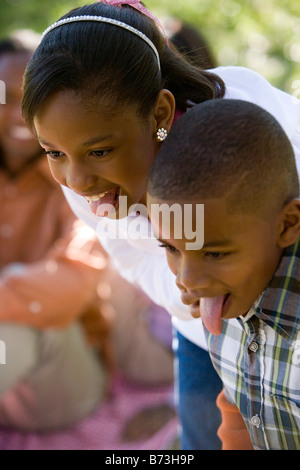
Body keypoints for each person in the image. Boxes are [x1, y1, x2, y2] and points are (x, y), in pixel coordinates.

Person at [21, 0, 300, 449]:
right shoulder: (86, 177)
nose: (76, 181)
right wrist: (189, 290)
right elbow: (131, 257)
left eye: (99, 151)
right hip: (203, 318)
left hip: (283, 305)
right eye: (54, 152)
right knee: (206, 428)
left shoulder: (246, 136)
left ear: (159, 115)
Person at [147, 98, 300, 450]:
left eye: (215, 253)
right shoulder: (222, 297)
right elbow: (244, 405)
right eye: (171, 248)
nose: (187, 279)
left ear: (287, 224)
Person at [0, 30, 112, 432]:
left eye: (30, 101)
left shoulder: (81, 180)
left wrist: (9, 290)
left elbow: (77, 278)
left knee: (17, 323)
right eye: (3, 97)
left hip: (62, 384)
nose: (16, 115)